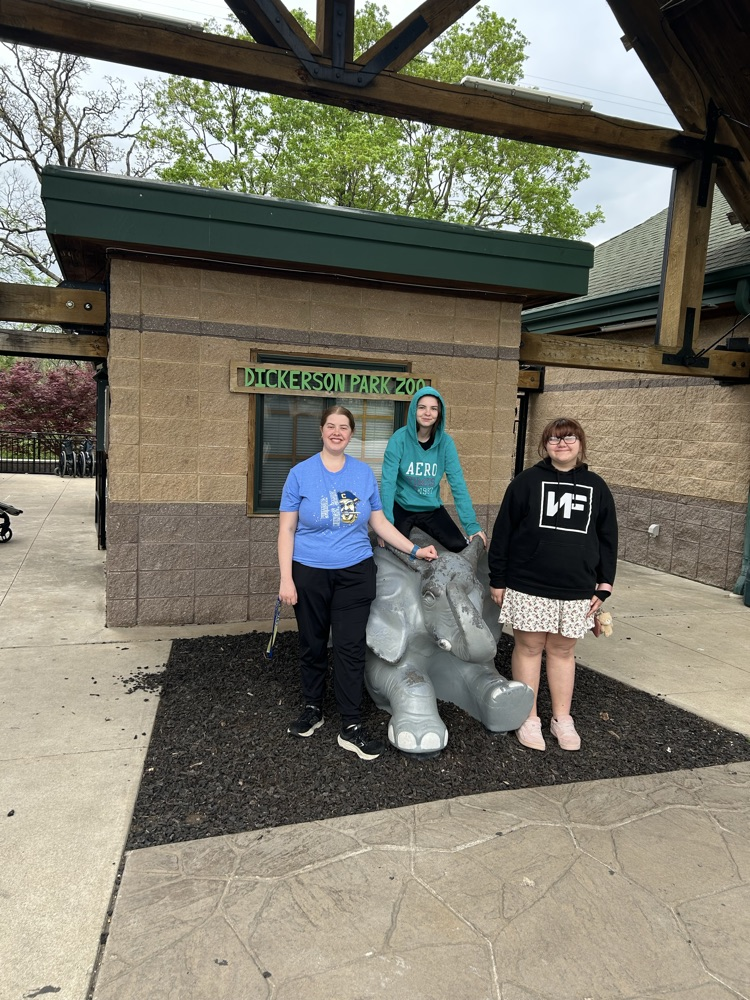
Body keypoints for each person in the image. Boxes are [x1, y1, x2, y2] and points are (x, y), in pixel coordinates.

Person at [278, 405, 438, 760]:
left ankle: (350, 725)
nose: (337, 432)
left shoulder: (364, 474)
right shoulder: (300, 474)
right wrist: (286, 579)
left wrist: (415, 550)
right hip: (309, 572)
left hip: (354, 573)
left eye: (344, 427)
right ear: (321, 431)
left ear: (351, 434)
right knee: (312, 644)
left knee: (350, 648)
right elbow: (286, 530)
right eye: (331, 426)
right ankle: (312, 708)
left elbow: (378, 524)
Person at [487, 417, 618, 752]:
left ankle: (562, 719)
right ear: (544, 445)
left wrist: (605, 583)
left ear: (581, 444)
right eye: (555, 439)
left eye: (569, 437)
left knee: (563, 651)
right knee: (529, 648)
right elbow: (503, 533)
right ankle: (527, 717)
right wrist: (497, 578)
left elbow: (608, 538)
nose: (562, 444)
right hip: (528, 583)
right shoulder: (526, 482)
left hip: (576, 587)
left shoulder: (597, 487)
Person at [379, 387, 487, 553]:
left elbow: (458, 484)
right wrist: (385, 524)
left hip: (431, 509)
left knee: (460, 547)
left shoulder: (446, 443)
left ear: (439, 413)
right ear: (414, 410)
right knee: (389, 549)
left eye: (433, 408)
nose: (427, 413)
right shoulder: (399, 439)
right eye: (422, 407)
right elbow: (388, 482)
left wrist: (471, 526)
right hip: (401, 506)